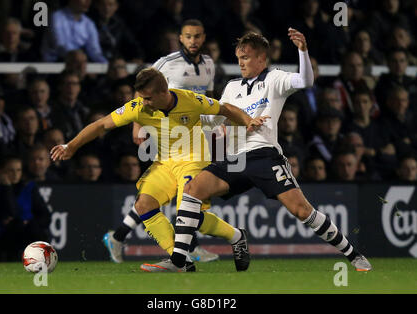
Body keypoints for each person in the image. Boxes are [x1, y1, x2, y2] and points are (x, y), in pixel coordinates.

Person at [143, 29, 372, 272]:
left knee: (301, 210)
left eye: (247, 57)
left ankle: (354, 255)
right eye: (239, 57)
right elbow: (216, 121)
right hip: (234, 159)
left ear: (262, 59)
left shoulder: (274, 80)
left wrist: (302, 51)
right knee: (191, 190)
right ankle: (180, 261)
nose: (241, 62)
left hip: (263, 155)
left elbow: (305, 81)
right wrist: (192, 117)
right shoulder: (231, 87)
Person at [50, 67, 266, 272]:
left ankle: (235, 236)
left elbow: (225, 108)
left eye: (149, 98)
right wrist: (71, 146)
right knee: (144, 205)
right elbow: (101, 125)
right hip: (165, 164)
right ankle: (181, 259)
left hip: (194, 161)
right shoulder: (138, 107)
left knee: (188, 215)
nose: (144, 102)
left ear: (165, 92)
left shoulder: (190, 100)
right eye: (142, 97)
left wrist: (248, 120)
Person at [119, 19, 220, 264]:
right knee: (181, 188)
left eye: (197, 36)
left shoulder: (209, 64)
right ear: (180, 38)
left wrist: (216, 125)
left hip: (193, 130)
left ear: (203, 37)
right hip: (165, 128)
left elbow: (207, 97)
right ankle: (190, 248)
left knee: (181, 189)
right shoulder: (166, 63)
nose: (193, 41)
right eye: (188, 36)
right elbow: (142, 88)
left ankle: (119, 235)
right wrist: (137, 125)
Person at [41, 0, 107, 63]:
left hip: (80, 63)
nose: (88, 1)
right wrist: (81, 59)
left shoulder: (89, 23)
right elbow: (60, 46)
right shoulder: (56, 17)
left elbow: (95, 51)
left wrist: (106, 64)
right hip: (54, 65)